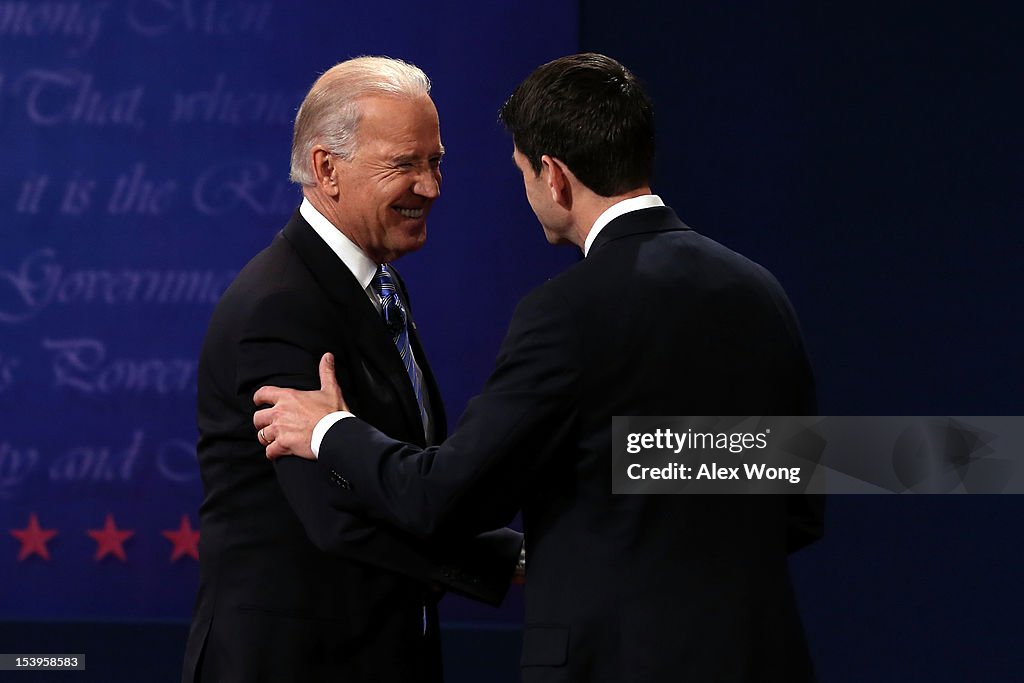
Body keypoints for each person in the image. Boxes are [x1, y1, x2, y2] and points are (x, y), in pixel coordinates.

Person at [254, 53, 822, 682]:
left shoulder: (566, 313)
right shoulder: (760, 291)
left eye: (522, 173)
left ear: (553, 176)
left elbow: (446, 499)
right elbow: (798, 507)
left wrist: (332, 432)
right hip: (762, 657)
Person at [182, 56, 522, 683]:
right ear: (326, 169)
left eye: (436, 161)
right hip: (296, 663)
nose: (431, 187)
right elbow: (338, 517)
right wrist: (509, 558)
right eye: (405, 165)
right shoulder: (281, 306)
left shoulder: (376, 284)